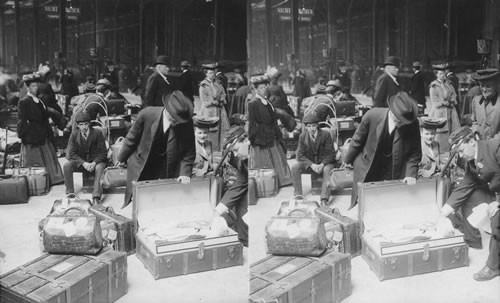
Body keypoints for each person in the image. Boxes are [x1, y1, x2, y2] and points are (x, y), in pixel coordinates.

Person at [440, 126, 500, 281]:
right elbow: (465, 185)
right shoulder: (471, 161)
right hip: (494, 192)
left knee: (497, 216)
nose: (460, 156)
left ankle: (494, 266)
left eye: (460, 150)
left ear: (472, 142)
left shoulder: (495, 148)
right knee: (469, 197)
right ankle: (473, 240)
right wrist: (446, 210)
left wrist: (498, 202)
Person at [117, 91, 195, 207]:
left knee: (162, 199)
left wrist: (185, 173)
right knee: (139, 198)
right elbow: (131, 138)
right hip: (143, 161)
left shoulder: (185, 123)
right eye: (174, 120)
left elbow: (189, 151)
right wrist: (121, 158)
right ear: (167, 111)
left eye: (180, 121)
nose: (177, 124)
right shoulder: (147, 114)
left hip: (167, 164)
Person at [343, 91, 421, 208]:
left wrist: (410, 174)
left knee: (389, 202)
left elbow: (415, 152)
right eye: (400, 120)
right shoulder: (372, 115)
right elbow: (357, 140)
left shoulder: (412, 124)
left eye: (405, 122)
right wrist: (347, 160)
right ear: (393, 112)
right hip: (368, 164)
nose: (402, 124)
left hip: (394, 167)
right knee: (365, 202)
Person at [16, 73, 64, 186]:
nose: (35, 88)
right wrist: (23, 135)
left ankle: (52, 179)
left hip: (43, 131)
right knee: (36, 158)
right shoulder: (24, 102)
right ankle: (38, 182)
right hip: (33, 134)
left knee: (48, 156)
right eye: (32, 86)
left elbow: (44, 115)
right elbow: (22, 120)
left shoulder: (39, 100)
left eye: (36, 86)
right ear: (28, 87)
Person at [248, 73, 292, 188]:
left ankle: (283, 180)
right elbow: (252, 123)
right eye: (261, 88)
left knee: (278, 157)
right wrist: (252, 138)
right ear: (256, 89)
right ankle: (270, 183)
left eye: (265, 87)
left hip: (272, 132)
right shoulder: (253, 103)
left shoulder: (267, 101)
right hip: (262, 135)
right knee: (267, 159)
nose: (264, 90)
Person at [212, 126, 249, 247]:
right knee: (241, 205)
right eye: (233, 151)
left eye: (236, 149)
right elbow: (240, 183)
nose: (236, 154)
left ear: (246, 140)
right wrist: (218, 211)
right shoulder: (244, 160)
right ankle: (244, 241)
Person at [292, 111, 336, 206]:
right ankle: (298, 195)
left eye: (313, 126)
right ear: (306, 127)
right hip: (311, 165)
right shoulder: (302, 136)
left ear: (317, 125)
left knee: (328, 169)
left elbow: (331, 154)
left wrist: (322, 164)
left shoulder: (325, 134)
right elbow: (299, 155)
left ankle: (324, 199)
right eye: (309, 126)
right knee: (295, 167)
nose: (311, 129)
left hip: (324, 164)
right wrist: (311, 165)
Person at [64, 111, 107, 205]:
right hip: (82, 163)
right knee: (67, 165)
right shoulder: (74, 135)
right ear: (77, 125)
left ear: (90, 123)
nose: (84, 127)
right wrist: (83, 163)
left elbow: (103, 152)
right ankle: (70, 193)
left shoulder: (97, 133)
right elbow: (71, 153)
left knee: (99, 168)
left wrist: (94, 163)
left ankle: (96, 197)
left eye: (86, 124)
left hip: (96, 162)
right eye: (81, 124)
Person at [198, 63, 230, 151]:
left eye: (213, 73)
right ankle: (210, 153)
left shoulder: (218, 83)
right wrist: (212, 101)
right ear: (206, 74)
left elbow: (223, 93)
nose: (213, 75)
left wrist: (222, 99)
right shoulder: (203, 85)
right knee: (210, 133)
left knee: (222, 132)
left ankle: (219, 152)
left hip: (220, 110)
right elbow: (204, 100)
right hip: (209, 111)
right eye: (210, 73)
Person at [429, 64, 460, 152]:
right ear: (436, 75)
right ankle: (442, 151)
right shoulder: (433, 86)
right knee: (441, 132)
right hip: (440, 112)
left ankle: (452, 150)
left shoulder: (448, 84)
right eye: (441, 74)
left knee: (452, 130)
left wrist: (453, 100)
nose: (443, 75)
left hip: (450, 110)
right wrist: (443, 102)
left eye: (444, 73)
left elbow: (454, 94)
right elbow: (434, 102)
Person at [470, 68, 500, 140]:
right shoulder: (476, 100)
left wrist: (494, 140)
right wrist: (476, 133)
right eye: (482, 85)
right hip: (480, 143)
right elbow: (474, 121)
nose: (484, 89)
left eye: (488, 86)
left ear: (496, 86)